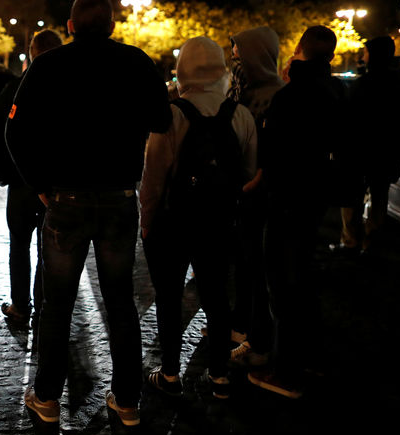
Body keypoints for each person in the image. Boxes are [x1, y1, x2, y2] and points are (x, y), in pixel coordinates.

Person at [7, 0, 171, 426]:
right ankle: (128, 398)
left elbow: (14, 131)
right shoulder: (137, 63)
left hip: (65, 199)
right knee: (120, 301)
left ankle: (46, 397)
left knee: (56, 302)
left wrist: (40, 185)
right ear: (113, 25)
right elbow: (163, 121)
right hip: (118, 197)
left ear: (71, 26)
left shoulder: (48, 65)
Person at [140, 36, 257, 399]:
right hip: (219, 220)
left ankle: (171, 372)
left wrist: (146, 221)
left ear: (183, 68)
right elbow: (249, 171)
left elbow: (153, 177)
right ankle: (219, 374)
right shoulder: (240, 114)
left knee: (169, 295)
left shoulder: (172, 114)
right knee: (216, 294)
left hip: (174, 221)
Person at [252, 25, 347, 399]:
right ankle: (312, 358)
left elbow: (273, 154)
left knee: (284, 283)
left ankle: (286, 371)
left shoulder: (291, 96)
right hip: (319, 197)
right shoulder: (338, 90)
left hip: (288, 199)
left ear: (298, 50)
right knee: (303, 281)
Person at [0, 30, 63, 326]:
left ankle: (21, 306)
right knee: (49, 248)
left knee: (19, 244)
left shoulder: (15, 88)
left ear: (32, 53)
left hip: (21, 181)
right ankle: (44, 307)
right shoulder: (68, 87)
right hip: (56, 183)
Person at [225, 26, 285, 367]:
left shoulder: (274, 96)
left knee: (257, 266)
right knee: (244, 265)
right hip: (242, 191)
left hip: (259, 195)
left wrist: (257, 176)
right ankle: (243, 325)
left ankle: (259, 340)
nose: (234, 57)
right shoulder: (242, 91)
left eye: (239, 52)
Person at [334, 36, 400, 255]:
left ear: (374, 55)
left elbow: (349, 120)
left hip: (359, 153)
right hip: (388, 152)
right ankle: (371, 243)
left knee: (352, 198)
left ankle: (350, 241)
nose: (363, 56)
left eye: (366, 52)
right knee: (379, 199)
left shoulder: (363, 85)